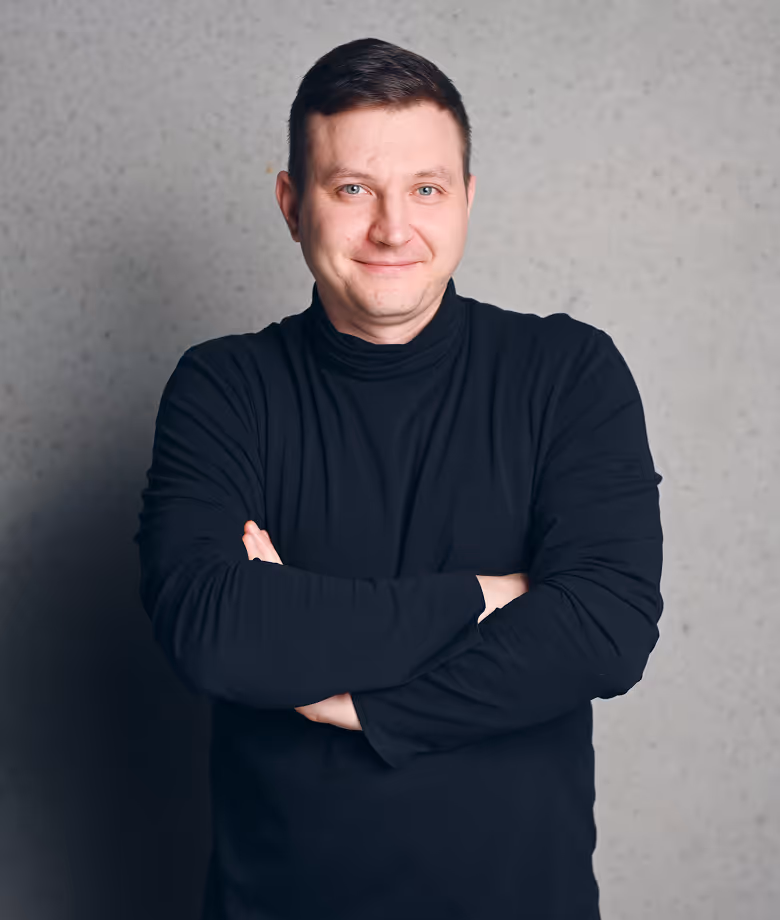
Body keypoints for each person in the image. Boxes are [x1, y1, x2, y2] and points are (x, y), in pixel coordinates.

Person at [134, 36, 664, 920]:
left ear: (465, 202)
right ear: (291, 204)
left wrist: (354, 703)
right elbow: (212, 630)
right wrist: (490, 597)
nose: (393, 227)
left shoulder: (569, 372)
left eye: (426, 188)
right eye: (353, 189)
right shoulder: (224, 387)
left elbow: (606, 628)